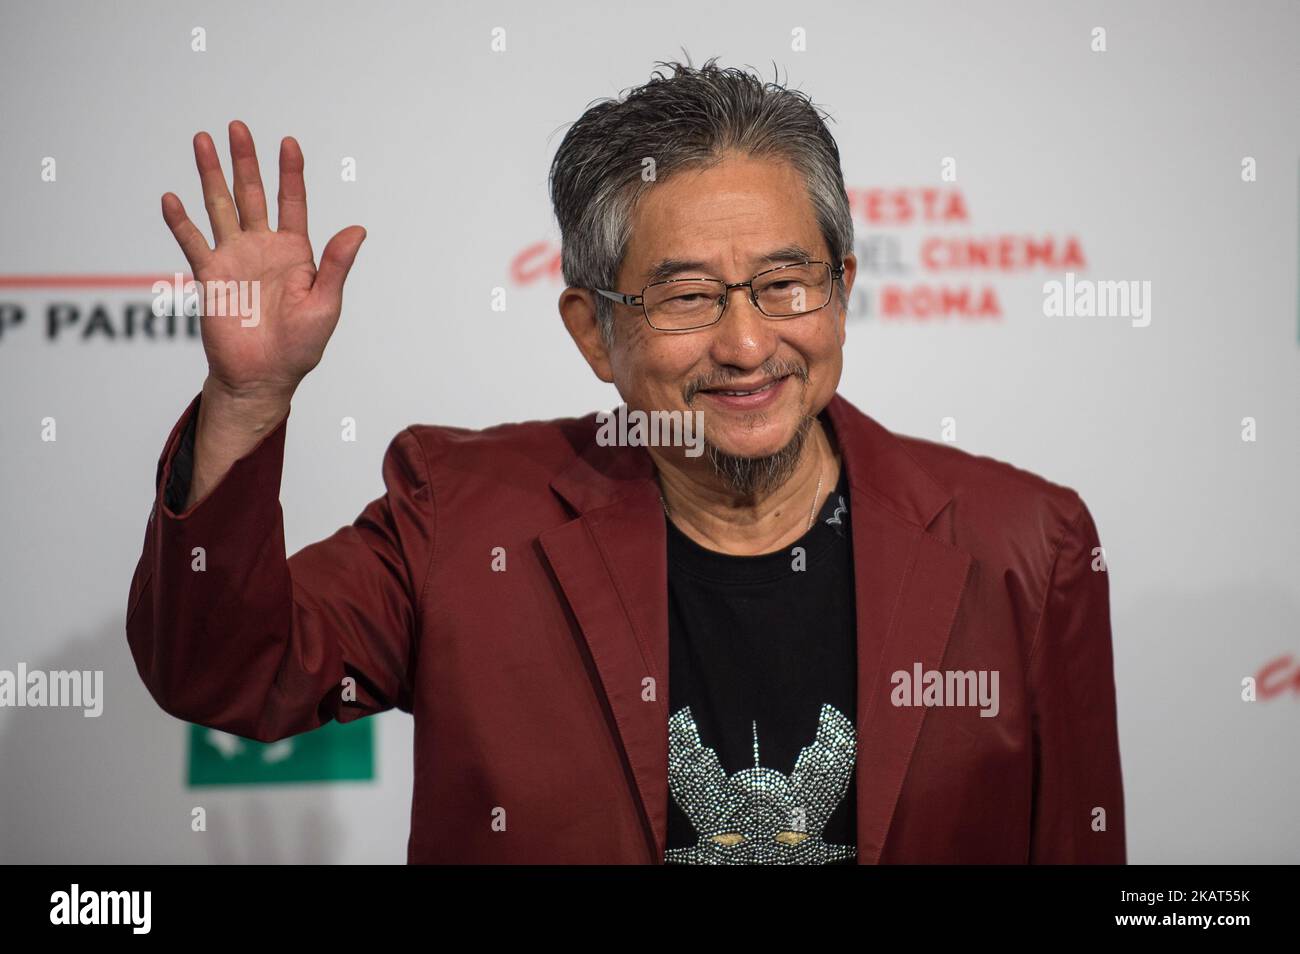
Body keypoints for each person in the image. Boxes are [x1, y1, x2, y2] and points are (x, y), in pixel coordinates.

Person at [126, 59, 1125, 864]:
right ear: (594, 332)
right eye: (686, 297)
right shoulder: (463, 519)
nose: (744, 344)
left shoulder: (1023, 547)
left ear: (842, 288)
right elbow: (230, 675)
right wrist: (248, 401)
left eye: (783, 283)